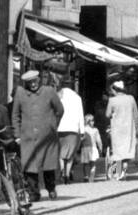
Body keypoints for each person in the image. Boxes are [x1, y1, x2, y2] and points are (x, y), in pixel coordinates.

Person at [12, 69, 64, 202]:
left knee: (48, 165)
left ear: (39, 80)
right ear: (26, 83)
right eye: (30, 82)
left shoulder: (49, 91)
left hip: (47, 137)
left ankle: (51, 188)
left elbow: (60, 110)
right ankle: (34, 193)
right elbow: (15, 115)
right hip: (28, 137)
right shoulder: (20, 93)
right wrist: (17, 135)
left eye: (35, 81)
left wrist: (53, 126)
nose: (33, 84)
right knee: (30, 166)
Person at [106, 80, 138, 172]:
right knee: (127, 149)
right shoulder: (131, 98)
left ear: (114, 90)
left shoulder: (112, 100)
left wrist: (113, 114)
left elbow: (107, 114)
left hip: (117, 128)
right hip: (129, 128)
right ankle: (124, 167)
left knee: (118, 150)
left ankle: (119, 171)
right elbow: (136, 114)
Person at [56, 77, 85, 185]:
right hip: (73, 128)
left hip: (59, 128)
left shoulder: (58, 96)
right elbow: (80, 114)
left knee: (60, 152)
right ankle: (67, 175)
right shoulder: (77, 97)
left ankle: (61, 170)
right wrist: (82, 131)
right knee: (70, 154)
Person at [80, 113, 101, 181]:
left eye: (93, 120)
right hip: (87, 148)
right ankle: (86, 176)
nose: (93, 122)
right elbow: (80, 139)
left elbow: (98, 140)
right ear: (87, 121)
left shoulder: (93, 130)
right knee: (86, 164)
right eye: (91, 120)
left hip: (91, 148)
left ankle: (90, 177)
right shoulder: (87, 130)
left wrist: (100, 146)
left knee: (91, 164)